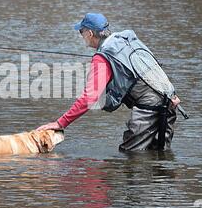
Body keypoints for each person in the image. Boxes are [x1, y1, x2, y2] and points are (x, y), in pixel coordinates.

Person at [37, 13, 180, 151]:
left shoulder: (102, 58)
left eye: (81, 32)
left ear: (90, 34)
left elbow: (89, 98)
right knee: (160, 156)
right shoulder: (125, 40)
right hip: (171, 101)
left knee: (130, 159)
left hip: (150, 109)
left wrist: (60, 123)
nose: (81, 36)